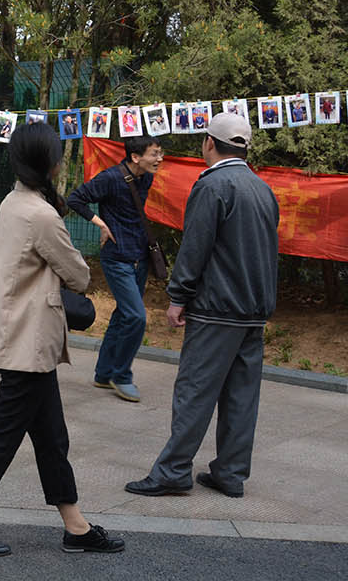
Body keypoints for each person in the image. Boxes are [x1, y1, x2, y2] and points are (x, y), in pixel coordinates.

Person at [0, 122, 123, 557]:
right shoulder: (42, 215)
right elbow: (79, 275)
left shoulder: (13, 201)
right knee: (3, 437)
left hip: (21, 337)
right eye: (60, 156)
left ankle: (75, 526)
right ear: (50, 163)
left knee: (50, 437)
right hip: (26, 343)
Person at [126, 112, 278, 499]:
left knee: (195, 390)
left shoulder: (213, 186)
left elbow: (196, 248)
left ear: (209, 143)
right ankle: (230, 473)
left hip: (217, 307)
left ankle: (174, 471)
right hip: (254, 310)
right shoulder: (262, 189)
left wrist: (178, 296)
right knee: (241, 396)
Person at [66, 135, 164, 402]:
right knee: (136, 316)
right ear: (136, 157)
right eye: (154, 154)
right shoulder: (110, 178)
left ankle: (103, 373)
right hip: (117, 257)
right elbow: (74, 199)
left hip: (140, 255)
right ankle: (121, 376)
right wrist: (101, 224)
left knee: (123, 315)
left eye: (159, 153)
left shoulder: (146, 177)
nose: (159, 158)